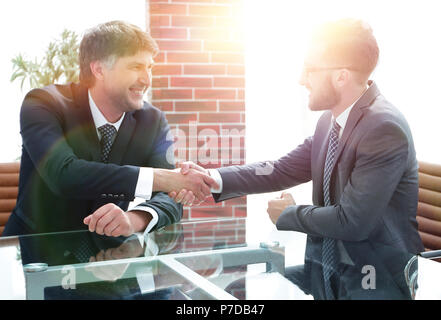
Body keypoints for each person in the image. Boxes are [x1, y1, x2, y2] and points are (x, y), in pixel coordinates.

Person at [170, 19, 424, 299]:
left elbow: (352, 221)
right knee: (225, 294)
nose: (301, 79)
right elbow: (279, 170)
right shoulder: (331, 120)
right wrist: (212, 177)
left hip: (374, 279)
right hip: (330, 270)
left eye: (310, 70)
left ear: (341, 76)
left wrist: (288, 215)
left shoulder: (383, 127)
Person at [3, 20, 217, 238]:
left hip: (106, 255)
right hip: (32, 249)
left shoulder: (152, 120)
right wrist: (164, 178)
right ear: (99, 69)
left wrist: (135, 219)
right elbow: (64, 175)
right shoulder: (43, 104)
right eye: (135, 67)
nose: (146, 79)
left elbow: (171, 196)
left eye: (149, 67)